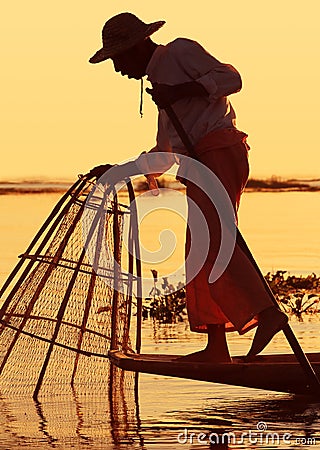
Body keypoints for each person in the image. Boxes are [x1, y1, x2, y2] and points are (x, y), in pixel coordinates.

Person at [89, 12, 288, 362]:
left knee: (217, 239)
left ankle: (268, 312)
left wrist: (181, 91)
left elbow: (231, 78)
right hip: (199, 166)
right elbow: (165, 154)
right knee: (199, 251)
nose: (118, 69)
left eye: (118, 58)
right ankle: (217, 346)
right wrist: (120, 169)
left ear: (136, 47)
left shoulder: (178, 53)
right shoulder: (158, 90)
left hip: (220, 152)